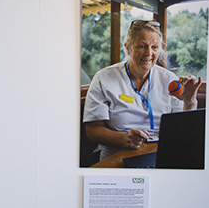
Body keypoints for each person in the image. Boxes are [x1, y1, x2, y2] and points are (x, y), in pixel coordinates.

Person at [83, 20, 202, 161]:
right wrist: (125, 139)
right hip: (117, 155)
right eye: (142, 46)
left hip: (162, 154)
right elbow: (92, 130)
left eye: (155, 47)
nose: (149, 53)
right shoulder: (104, 78)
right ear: (127, 47)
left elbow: (185, 130)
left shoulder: (169, 79)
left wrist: (190, 102)